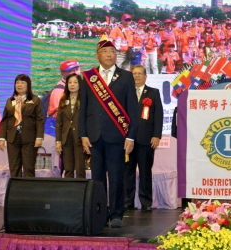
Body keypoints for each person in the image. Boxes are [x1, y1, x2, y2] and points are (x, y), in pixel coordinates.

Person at [80, 38, 139, 229]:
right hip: (94, 136)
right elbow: (83, 108)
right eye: (105, 52)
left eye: (112, 51)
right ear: (97, 55)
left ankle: (116, 214)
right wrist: (83, 135)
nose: (109, 55)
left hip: (117, 137)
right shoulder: (89, 77)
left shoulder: (126, 77)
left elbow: (133, 109)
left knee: (116, 177)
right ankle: (99, 213)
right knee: (96, 179)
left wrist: (130, 136)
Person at [124, 65, 164, 212]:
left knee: (145, 172)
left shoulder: (153, 93)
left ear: (145, 76)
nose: (137, 76)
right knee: (127, 171)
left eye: (140, 73)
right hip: (127, 140)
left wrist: (156, 135)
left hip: (146, 139)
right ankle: (127, 201)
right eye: (134, 73)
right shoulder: (125, 93)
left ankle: (146, 202)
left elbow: (158, 115)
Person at [0, 74, 44, 178]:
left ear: (28, 85)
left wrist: (39, 137)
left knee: (29, 167)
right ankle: (16, 188)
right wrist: (2, 138)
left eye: (22, 82)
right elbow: (5, 120)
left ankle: (28, 188)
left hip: (29, 138)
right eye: (17, 82)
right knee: (14, 168)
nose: (19, 85)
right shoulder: (10, 101)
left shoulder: (35, 100)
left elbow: (40, 119)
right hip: (12, 138)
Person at [56, 73, 87, 179]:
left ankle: (81, 189)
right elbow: (59, 122)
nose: (72, 85)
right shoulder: (63, 99)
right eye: (69, 82)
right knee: (68, 169)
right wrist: (58, 141)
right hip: (66, 137)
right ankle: (69, 188)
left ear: (80, 84)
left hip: (80, 137)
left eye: (75, 82)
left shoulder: (84, 99)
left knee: (80, 168)